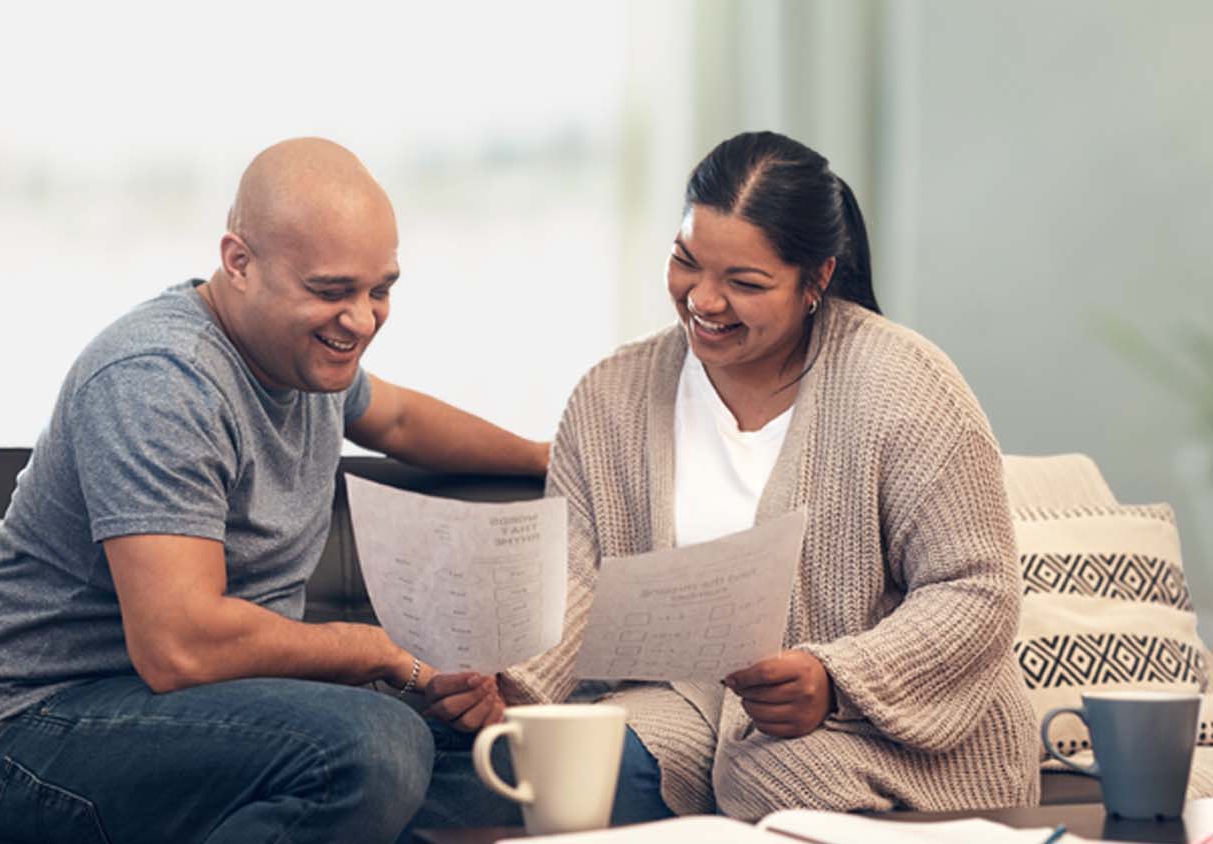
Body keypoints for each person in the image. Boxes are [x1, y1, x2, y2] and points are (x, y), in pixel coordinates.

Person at [413, 130, 1039, 830]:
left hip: (888, 733)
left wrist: (835, 680)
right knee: (495, 786)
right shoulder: (609, 396)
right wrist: (509, 681)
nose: (703, 300)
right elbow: (576, 582)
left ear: (817, 279)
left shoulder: (906, 385)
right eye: (686, 261)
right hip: (679, 710)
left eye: (744, 283)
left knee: (779, 774)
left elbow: (977, 588)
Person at [0, 138, 547, 844]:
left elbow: (403, 419)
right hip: (46, 739)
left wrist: (552, 459)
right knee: (372, 748)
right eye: (330, 291)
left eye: (379, 289)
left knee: (518, 775)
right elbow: (181, 647)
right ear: (239, 263)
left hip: (224, 722)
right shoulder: (160, 377)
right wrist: (387, 653)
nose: (360, 320)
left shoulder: (306, 357)